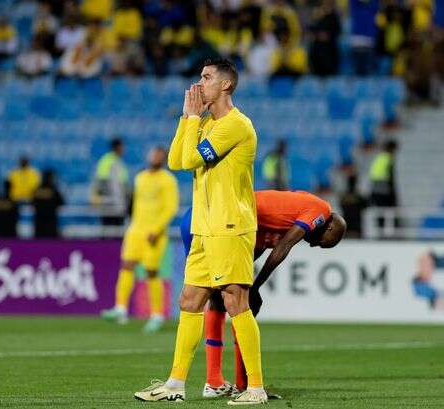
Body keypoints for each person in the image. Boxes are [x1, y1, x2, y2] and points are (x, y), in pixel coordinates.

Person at [134, 58, 266, 405]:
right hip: (204, 229)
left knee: (236, 301)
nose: (199, 84)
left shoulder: (236, 125)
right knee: (189, 300)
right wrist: (187, 118)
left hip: (230, 227)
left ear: (226, 85)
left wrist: (193, 119)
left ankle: (255, 388)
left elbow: (191, 160)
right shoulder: (204, 123)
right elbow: (176, 161)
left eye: (206, 77)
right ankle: (175, 384)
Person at [178, 190, 346, 397]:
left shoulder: (268, 226)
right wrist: (254, 288)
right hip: (211, 221)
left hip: (207, 219)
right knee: (222, 299)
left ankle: (225, 383)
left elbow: (249, 261)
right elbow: (283, 248)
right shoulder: (321, 210)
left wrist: (251, 287)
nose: (312, 244)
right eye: (322, 242)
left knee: (219, 299)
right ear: (328, 226)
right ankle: (225, 383)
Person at [101, 146, 179, 333]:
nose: (155, 157)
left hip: (154, 234)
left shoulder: (168, 180)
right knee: (127, 265)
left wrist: (157, 228)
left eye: (159, 155)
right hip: (135, 230)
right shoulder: (140, 178)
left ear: (164, 159)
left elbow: (171, 208)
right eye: (153, 154)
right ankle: (120, 308)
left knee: (151, 272)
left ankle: (157, 315)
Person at [90, 138, 129, 228]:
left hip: (118, 205)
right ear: (117, 147)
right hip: (109, 206)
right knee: (110, 233)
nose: (124, 149)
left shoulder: (118, 162)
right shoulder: (107, 162)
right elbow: (100, 183)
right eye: (122, 147)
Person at [33, 170, 65, 238]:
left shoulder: (37, 189)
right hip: (50, 222)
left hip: (39, 222)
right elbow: (61, 202)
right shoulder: (53, 189)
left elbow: (33, 203)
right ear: (50, 178)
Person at [369, 140, 398, 207]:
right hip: (383, 180)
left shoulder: (380, 155)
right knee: (385, 203)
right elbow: (391, 173)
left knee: (379, 201)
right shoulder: (389, 157)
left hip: (374, 179)